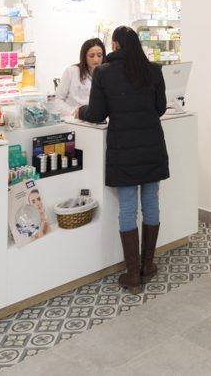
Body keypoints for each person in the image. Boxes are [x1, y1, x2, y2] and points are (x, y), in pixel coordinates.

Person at [78, 26, 168, 291]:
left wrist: (80, 111)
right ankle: (147, 265)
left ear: (115, 45)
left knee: (128, 207)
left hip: (124, 148)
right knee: (151, 203)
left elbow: (96, 113)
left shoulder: (104, 72)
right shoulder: (154, 70)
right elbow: (160, 108)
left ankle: (132, 274)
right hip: (152, 146)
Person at [54, 38, 105, 114]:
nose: (96, 60)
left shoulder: (106, 75)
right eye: (91, 56)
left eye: (99, 55)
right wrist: (73, 112)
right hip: (73, 117)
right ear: (84, 57)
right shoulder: (72, 71)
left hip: (95, 118)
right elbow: (57, 99)